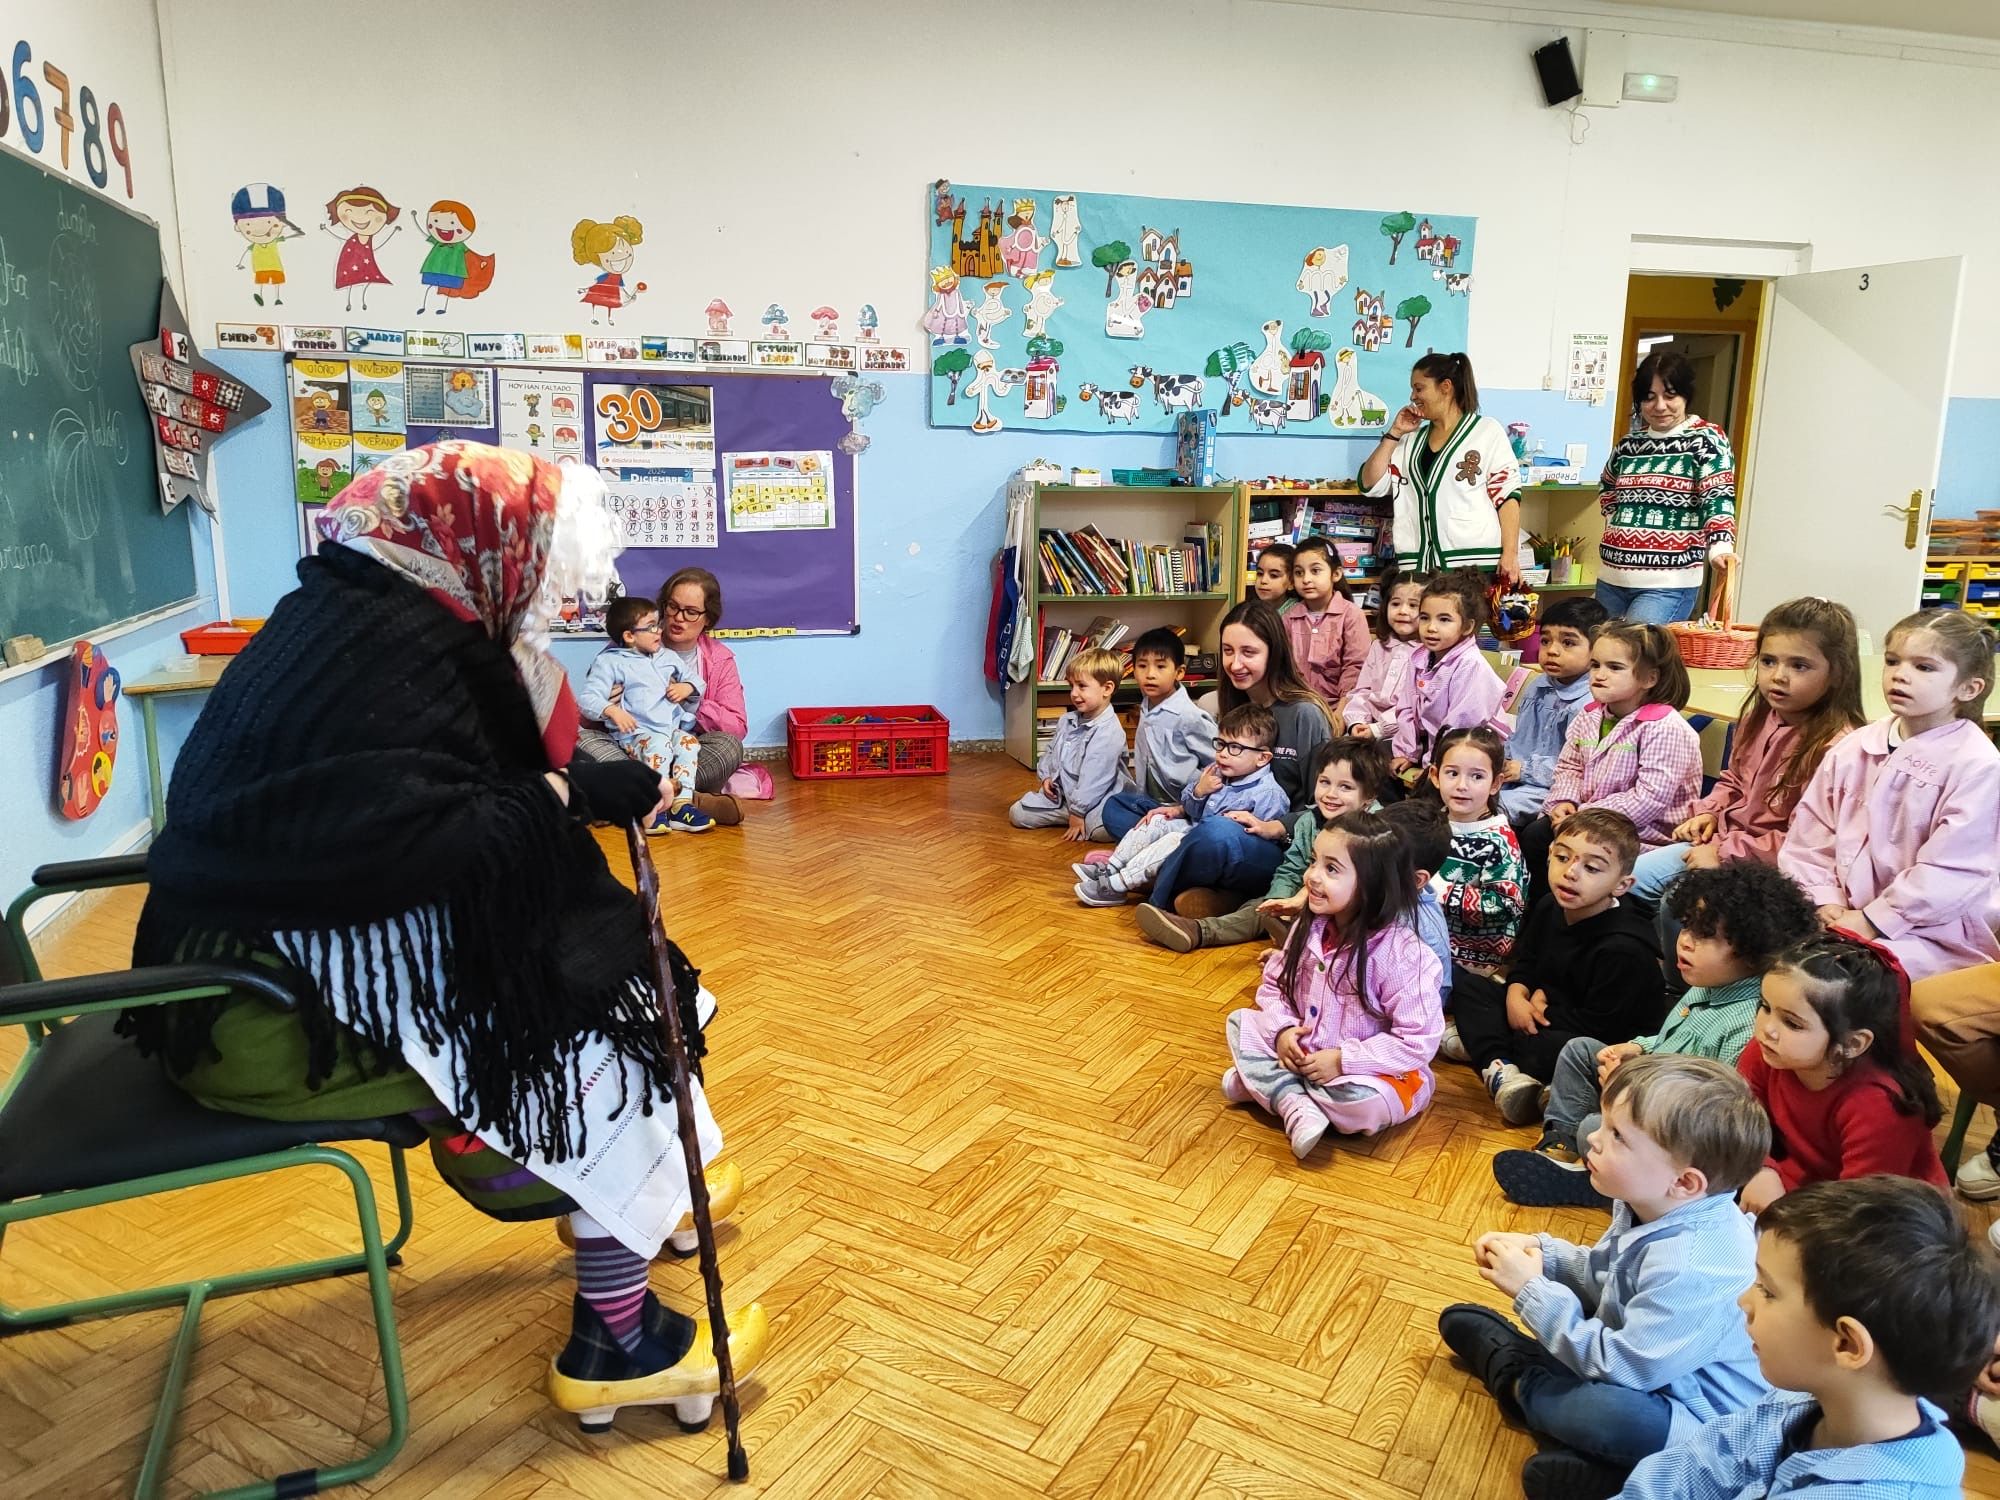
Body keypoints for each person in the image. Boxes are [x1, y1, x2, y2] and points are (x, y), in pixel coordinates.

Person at [119, 442, 768, 1429]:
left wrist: (574, 767)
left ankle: (602, 1195)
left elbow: (515, 727)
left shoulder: (363, 614)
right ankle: (616, 1336)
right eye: (533, 564)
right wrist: (563, 789)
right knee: (610, 1031)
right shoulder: (382, 651)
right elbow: (423, 839)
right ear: (476, 550)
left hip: (247, 967)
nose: (544, 590)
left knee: (594, 979)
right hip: (259, 1018)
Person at [1439, 1054, 1771, 1500]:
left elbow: (1627, 1370)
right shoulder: (1647, 1201)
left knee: (1610, 1413)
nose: (1592, 1137)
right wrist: (1545, 1253)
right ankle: (1605, 1466)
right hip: (1656, 1370)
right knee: (1591, 1371)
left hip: (1703, 1428)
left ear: (1685, 1182)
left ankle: (1517, 1376)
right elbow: (1606, 1273)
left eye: (1617, 1135)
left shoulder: (1697, 1263)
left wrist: (1533, 1292)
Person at [1620, 1176, 1999, 1500]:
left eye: (1766, 1290)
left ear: (1847, 1344)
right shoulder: (1801, 1399)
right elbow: (1700, 1464)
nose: (1744, 1301)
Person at [1494, 860, 1818, 1209]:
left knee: (1593, 1129)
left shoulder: (1745, 1024)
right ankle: (1560, 1143)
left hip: (1672, 1126)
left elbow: (1708, 1116)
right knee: (1578, 1051)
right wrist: (1635, 1048)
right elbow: (1665, 1042)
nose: (1685, 942)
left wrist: (1632, 1087)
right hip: (1648, 1086)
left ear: (1753, 954)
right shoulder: (1703, 985)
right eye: (1689, 926)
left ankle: (1603, 1180)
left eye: (1705, 936)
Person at [1779, 607, 2000, 983]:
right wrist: (1824, 900)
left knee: (1833, 980)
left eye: (1924, 667)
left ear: (1969, 688)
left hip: (1930, 933)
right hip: (1837, 912)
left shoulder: (1977, 765)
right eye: (1893, 661)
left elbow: (1951, 872)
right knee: (1752, 946)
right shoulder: (1857, 746)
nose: (1900, 675)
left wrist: (1871, 920)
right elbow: (1810, 833)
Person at [1221, 811, 1444, 1157]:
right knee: (1241, 1022)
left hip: (1363, 1072)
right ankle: (1293, 1100)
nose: (1311, 877)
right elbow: (1275, 986)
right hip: (1305, 1054)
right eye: (1314, 863)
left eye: (1331, 869)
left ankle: (1271, 1089)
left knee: (1366, 1105)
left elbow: (1417, 1043)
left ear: (1373, 884)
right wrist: (1283, 1032)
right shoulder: (1308, 926)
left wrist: (1342, 1061)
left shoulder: (1404, 955)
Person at [1629, 597, 1865, 914]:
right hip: (1729, 844)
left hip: (1777, 867)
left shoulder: (1836, 748)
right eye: (1768, 661)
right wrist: (1710, 812)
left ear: (1838, 673)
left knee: (1675, 905)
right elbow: (1734, 779)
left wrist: (1723, 854)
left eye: (1799, 666)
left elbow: (1806, 843)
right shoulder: (1759, 718)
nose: (1778, 676)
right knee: (1630, 881)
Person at [1448, 810, 1663, 1125]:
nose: (1571, 872)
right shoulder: (1551, 905)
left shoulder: (1624, 948)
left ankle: (1488, 1048)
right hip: (1543, 1013)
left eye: (1591, 868)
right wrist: (1516, 995)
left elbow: (1603, 1027)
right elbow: (1528, 962)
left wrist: (1537, 1010)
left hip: (1591, 1039)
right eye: (1563, 857)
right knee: (1470, 986)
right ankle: (1504, 1072)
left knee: (1544, 1048)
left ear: (1621, 885)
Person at [1133, 601, 1335, 923]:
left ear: (1274, 652)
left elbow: (1324, 806)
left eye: (1248, 652)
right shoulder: (1235, 703)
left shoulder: (1305, 714)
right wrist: (1184, 806)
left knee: (1216, 834)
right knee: (1128, 806)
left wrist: (1276, 828)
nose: (1235, 663)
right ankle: (1196, 882)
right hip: (1213, 817)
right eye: (1228, 651)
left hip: (1275, 846)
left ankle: (1155, 885)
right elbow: (1220, 777)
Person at [1737, 933, 1948, 1217]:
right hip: (1786, 1192)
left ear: (1852, 1044)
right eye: (1764, 1007)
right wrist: (1761, 1168)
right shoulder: (1768, 1052)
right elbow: (1738, 1118)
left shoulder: (1879, 1106)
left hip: (1874, 1220)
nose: (1767, 1029)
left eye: (1792, 1023)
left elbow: (1859, 1210)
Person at [1519, 622, 1701, 906]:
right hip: (1584, 821)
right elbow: (1569, 768)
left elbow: (1648, 799)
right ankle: (1545, 915)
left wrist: (1582, 818)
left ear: (1649, 678)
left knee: (1596, 866)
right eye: (1595, 665)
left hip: (1642, 836)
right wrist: (1562, 803)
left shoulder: (1665, 727)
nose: (1599, 675)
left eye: (1614, 668)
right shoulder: (1589, 715)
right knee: (1535, 836)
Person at [575, 568, 750, 826]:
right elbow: (588, 715)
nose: (678, 618)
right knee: (579, 740)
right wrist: (609, 705)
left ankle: (626, 799)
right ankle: (687, 802)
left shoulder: (719, 659)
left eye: (691, 612)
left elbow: (737, 726)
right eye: (672, 607)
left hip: (682, 748)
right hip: (633, 743)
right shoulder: (624, 648)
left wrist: (690, 698)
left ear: (708, 619)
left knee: (729, 747)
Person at [1073, 704, 1285, 906]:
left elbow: (1260, 847)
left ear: (1262, 758)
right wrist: (1198, 792)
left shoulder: (1268, 793)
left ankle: (1119, 884)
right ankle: (1112, 868)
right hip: (1192, 827)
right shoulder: (1216, 771)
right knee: (1156, 819)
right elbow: (1191, 810)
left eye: (1235, 748)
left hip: (1211, 850)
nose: (1223, 753)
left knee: (1174, 840)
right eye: (1220, 744)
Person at [1594, 351, 1738, 625]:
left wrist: (1720, 545)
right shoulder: (1629, 444)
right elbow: (1607, 484)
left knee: (1636, 657)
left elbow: (1718, 495)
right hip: (1611, 579)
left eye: (1670, 395)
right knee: (1603, 658)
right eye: (1649, 397)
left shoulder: (1706, 438)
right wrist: (1616, 522)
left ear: (1686, 396)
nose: (1659, 406)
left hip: (1667, 584)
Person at [1359, 351, 1523, 582]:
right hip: (1418, 568)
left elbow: (1506, 497)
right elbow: (1370, 484)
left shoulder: (1486, 431)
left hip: (1473, 567)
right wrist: (1395, 433)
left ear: (1446, 387)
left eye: (1419, 388)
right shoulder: (1410, 440)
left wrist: (1510, 554)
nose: (1413, 396)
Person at [577, 596, 713, 834]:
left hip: (671, 730)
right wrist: (611, 710)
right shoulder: (610, 662)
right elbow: (588, 699)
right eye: (651, 627)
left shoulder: (668, 657)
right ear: (629, 636)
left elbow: (697, 682)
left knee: (690, 744)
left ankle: (681, 805)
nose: (659, 631)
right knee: (658, 745)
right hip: (637, 734)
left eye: (658, 624)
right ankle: (653, 806)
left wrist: (686, 688)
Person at [1251, 737, 1393, 944]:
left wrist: (1303, 899)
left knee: (1271, 915)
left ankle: (1295, 941)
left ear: (1369, 796)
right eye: (1325, 782)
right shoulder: (1309, 821)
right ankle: (1202, 928)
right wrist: (1280, 901)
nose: (1330, 794)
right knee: (1261, 908)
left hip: (1347, 912)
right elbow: (1291, 868)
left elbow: (1364, 890)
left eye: (1345, 787)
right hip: (1312, 895)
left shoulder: (1376, 831)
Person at [1095, 627, 1216, 842]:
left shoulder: (1190, 716)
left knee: (1201, 830)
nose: (1150, 674)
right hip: (1151, 802)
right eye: (1142, 666)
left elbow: (1218, 761)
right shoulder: (1147, 705)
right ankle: (1156, 842)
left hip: (1184, 807)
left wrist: (1190, 803)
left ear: (1179, 672)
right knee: (1113, 808)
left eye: (1161, 666)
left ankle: (1156, 843)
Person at [1390, 569, 1512, 777]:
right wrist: (1407, 753)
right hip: (1435, 749)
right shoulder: (1419, 658)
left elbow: (1461, 727)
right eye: (1425, 618)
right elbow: (1407, 709)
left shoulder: (1470, 665)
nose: (1431, 628)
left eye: (1444, 620)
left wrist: (1434, 765)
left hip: (1470, 754)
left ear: (1467, 627)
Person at [1431, 726, 1529, 979]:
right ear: (1435, 775)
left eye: (1477, 777)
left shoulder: (1498, 841)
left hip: (1465, 960)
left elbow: (1505, 906)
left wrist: (1439, 890)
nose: (1462, 785)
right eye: (1452, 773)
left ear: (1496, 783)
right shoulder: (1431, 824)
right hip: (1426, 939)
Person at [1499, 596, 1608, 824]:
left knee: (1493, 808)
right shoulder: (1538, 685)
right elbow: (1521, 739)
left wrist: (1526, 770)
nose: (1552, 651)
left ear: (1597, 650)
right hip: (1515, 776)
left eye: (1568, 643)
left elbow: (1582, 770)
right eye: (1545, 641)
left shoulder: (1592, 702)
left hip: (1555, 790)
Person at [1009, 647, 1131, 841]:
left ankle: (1082, 817)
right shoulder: (1067, 721)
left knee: (1100, 831)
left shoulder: (1109, 731)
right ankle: (1072, 816)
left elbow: (1096, 779)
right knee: (1018, 813)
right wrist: (1047, 777)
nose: (1074, 694)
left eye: (1082, 686)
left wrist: (1079, 811)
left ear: (1107, 689)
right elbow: (1050, 753)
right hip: (1065, 795)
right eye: (1071, 686)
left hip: (1099, 799)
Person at [1282, 536, 1371, 705]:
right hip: (1297, 704)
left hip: (1340, 705)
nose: (1306, 579)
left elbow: (1355, 667)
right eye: (1299, 573)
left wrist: (1342, 710)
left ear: (1336, 574)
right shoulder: (1288, 618)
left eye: (1315, 571)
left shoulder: (1351, 615)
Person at [1340, 567, 1423, 743]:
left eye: (1413, 605)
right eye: (1395, 604)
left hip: (1402, 734)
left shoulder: (1427, 653)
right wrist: (1356, 721)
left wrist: (1377, 729)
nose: (1402, 611)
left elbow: (1415, 707)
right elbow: (1362, 690)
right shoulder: (1379, 646)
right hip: (1368, 726)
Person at [1252, 541, 1298, 614]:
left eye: (1274, 575)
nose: (1263, 581)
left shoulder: (1297, 615)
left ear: (1291, 582)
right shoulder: (1252, 610)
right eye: (1260, 574)